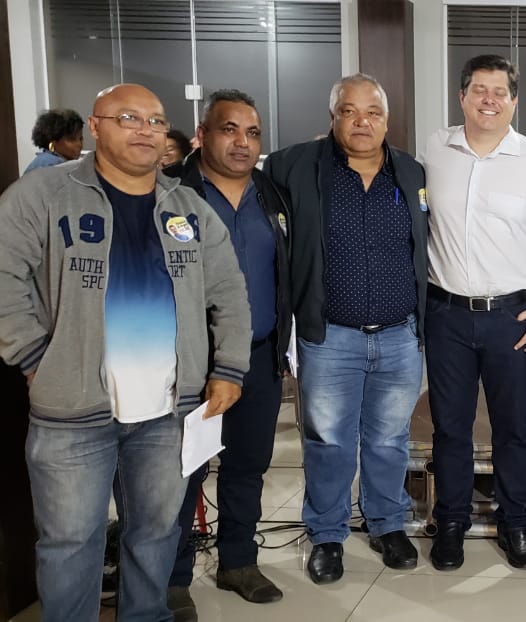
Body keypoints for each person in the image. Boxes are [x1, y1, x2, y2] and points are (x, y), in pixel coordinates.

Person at [0, 83, 250, 622]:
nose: (145, 130)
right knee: (70, 542)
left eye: (156, 121)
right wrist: (33, 357)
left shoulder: (187, 208)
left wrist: (229, 368)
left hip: (168, 412)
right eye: (129, 118)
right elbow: (4, 276)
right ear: (95, 126)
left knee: (156, 532)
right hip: (71, 413)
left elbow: (229, 292)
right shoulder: (44, 194)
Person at [263, 73, 430, 585]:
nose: (362, 122)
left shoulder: (410, 171)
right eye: (349, 112)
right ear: (332, 118)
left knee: (389, 440)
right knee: (329, 442)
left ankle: (387, 523)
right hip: (331, 336)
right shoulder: (294, 166)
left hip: (399, 335)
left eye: (372, 112)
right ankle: (327, 534)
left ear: (387, 120)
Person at [422, 54, 526, 571]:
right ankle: (451, 522)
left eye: (500, 91)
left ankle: (516, 522)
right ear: (461, 97)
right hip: (447, 314)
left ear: (514, 101)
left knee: (513, 428)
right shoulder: (434, 150)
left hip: (513, 317)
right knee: (449, 427)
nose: (489, 100)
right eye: (479, 90)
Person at [162, 89, 292, 621]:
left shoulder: (272, 195)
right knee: (183, 473)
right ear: (202, 135)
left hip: (258, 358)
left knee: (247, 467)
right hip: (190, 364)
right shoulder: (170, 193)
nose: (242, 142)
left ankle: (238, 562)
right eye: (229, 129)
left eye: (252, 132)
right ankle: (172, 578)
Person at [24, 108, 84, 173]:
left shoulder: (45, 160)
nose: (79, 144)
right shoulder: (52, 164)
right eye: (71, 140)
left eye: (80, 139)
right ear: (53, 141)